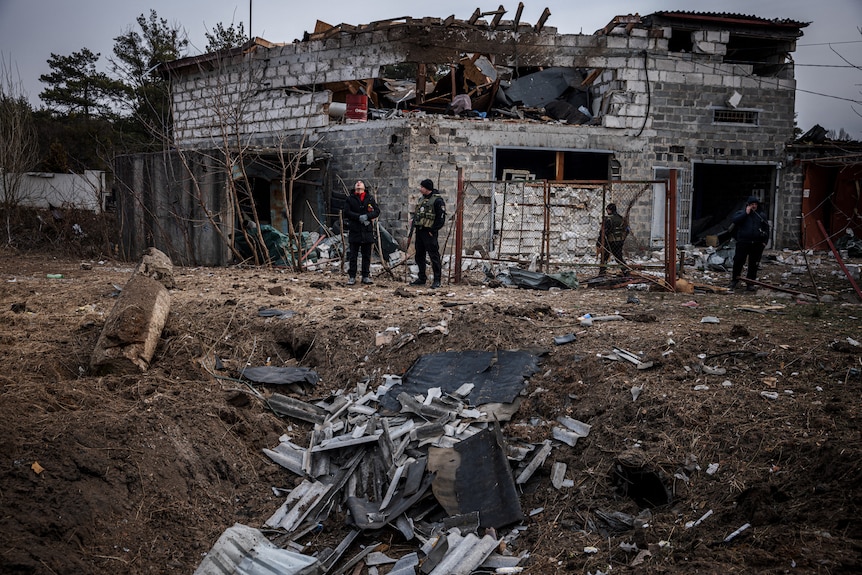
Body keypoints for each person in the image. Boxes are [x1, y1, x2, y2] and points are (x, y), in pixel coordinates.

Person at [410, 179, 446, 288]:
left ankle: (437, 280)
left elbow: (441, 218)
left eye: (422, 187)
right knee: (419, 255)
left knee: (433, 256)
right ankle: (422, 278)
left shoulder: (437, 200)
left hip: (429, 232)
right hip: (420, 231)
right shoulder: (422, 199)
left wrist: (433, 230)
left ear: (427, 188)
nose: (420, 189)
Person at [729, 195, 769, 292]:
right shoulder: (741, 213)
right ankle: (735, 279)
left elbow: (766, 229)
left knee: (753, 264)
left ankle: (750, 283)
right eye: (752, 204)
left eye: (755, 204)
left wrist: (764, 242)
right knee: (738, 261)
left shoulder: (761, 215)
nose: (754, 206)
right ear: (748, 205)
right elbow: (735, 220)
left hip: (756, 244)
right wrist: (746, 213)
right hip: (743, 242)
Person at [344, 180, 380, 285]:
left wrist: (367, 217)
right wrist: (357, 217)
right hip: (355, 230)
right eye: (357, 184)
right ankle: (352, 276)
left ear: (364, 188)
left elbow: (377, 211)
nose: (358, 184)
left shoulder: (370, 199)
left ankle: (365, 276)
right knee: (353, 256)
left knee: (366, 255)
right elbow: (346, 212)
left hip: (367, 231)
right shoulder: (350, 199)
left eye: (361, 184)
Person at [596, 203, 629, 276]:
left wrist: (599, 242)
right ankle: (626, 271)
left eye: (607, 209)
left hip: (610, 242)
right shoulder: (622, 218)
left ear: (609, 210)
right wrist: (622, 239)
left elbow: (603, 232)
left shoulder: (608, 219)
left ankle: (602, 273)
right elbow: (627, 230)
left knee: (604, 258)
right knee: (618, 257)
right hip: (619, 242)